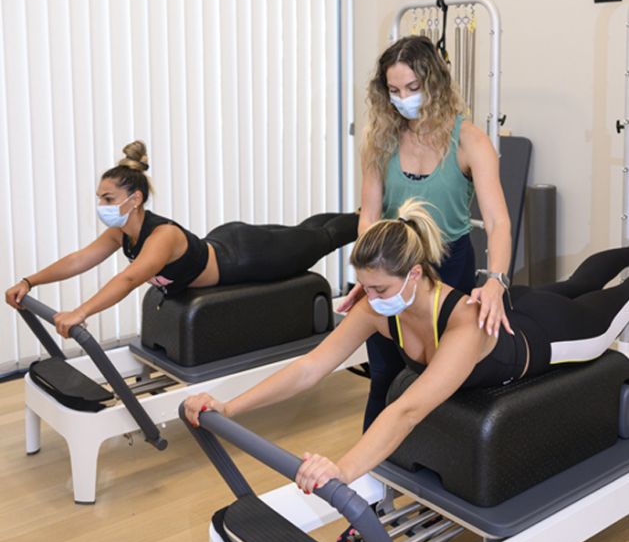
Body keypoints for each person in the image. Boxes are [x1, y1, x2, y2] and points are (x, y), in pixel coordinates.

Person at [184, 198, 629, 505]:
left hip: (554, 336)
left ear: (414, 274)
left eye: (379, 288)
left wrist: (343, 469)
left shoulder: (462, 324)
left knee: (603, 293)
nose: (368, 297)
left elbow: (408, 410)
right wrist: (229, 406)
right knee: (576, 282)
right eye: (364, 285)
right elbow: (310, 367)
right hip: (519, 309)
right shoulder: (380, 307)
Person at [5, 141, 358, 338]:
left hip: (248, 256)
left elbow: (128, 279)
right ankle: (359, 215)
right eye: (100, 198)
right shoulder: (120, 232)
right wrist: (29, 281)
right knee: (306, 232)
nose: (102, 206)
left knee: (321, 238)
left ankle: (369, 219)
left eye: (108, 199)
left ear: (135, 199)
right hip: (225, 242)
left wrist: (81, 312)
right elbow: (79, 259)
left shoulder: (162, 237)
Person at [338, 34, 513, 434]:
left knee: (439, 382)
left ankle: (434, 462)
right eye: (394, 90)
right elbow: (369, 216)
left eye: (412, 87)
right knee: (384, 376)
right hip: (392, 267)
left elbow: (498, 222)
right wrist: (371, 276)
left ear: (433, 83)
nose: (403, 98)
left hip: (448, 266)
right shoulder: (380, 140)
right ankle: (374, 467)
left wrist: (496, 282)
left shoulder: (469, 141)